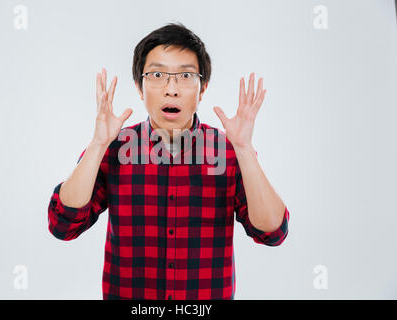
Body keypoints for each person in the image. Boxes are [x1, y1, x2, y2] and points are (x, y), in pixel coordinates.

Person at [47, 22, 289, 300]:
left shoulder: (230, 151)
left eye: (186, 75)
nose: (171, 89)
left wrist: (245, 149)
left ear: (202, 89)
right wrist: (98, 144)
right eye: (157, 74)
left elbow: (273, 233)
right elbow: (62, 225)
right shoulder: (113, 148)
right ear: (140, 87)